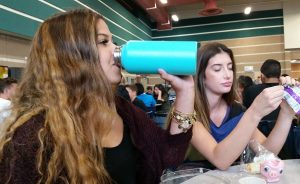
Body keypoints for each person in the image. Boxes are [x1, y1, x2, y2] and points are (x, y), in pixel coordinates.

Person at [0, 9, 195, 184]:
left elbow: (169, 155)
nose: (116, 49)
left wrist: (185, 93)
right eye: (104, 42)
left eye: (113, 41)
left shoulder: (123, 110)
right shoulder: (32, 136)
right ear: (72, 57)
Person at [187, 42, 296, 170]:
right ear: (201, 75)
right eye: (217, 69)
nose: (228, 75)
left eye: (230, 67)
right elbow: (220, 160)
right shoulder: (186, 112)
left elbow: (267, 153)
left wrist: (287, 113)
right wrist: (255, 111)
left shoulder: (236, 110)